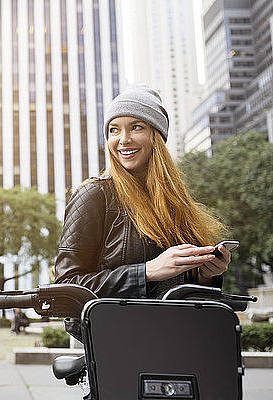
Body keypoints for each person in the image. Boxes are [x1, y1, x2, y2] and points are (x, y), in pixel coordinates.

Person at [55, 85, 231, 299]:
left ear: (156, 136)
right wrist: (146, 272)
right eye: (114, 129)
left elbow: (184, 293)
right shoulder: (94, 195)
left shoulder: (177, 204)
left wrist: (207, 276)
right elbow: (66, 286)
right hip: (114, 331)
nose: (123, 139)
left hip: (174, 329)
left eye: (136, 127)